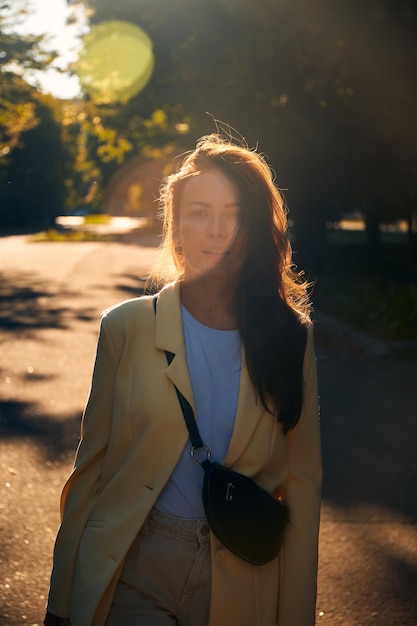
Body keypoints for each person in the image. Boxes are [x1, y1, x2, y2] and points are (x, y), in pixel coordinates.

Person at [44, 134, 322, 626]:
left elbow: (302, 486)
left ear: (254, 228)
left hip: (243, 577)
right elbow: (91, 470)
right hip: (135, 563)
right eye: (198, 212)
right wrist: (62, 603)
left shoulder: (290, 337)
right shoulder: (125, 327)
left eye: (233, 213)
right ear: (174, 226)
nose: (216, 231)